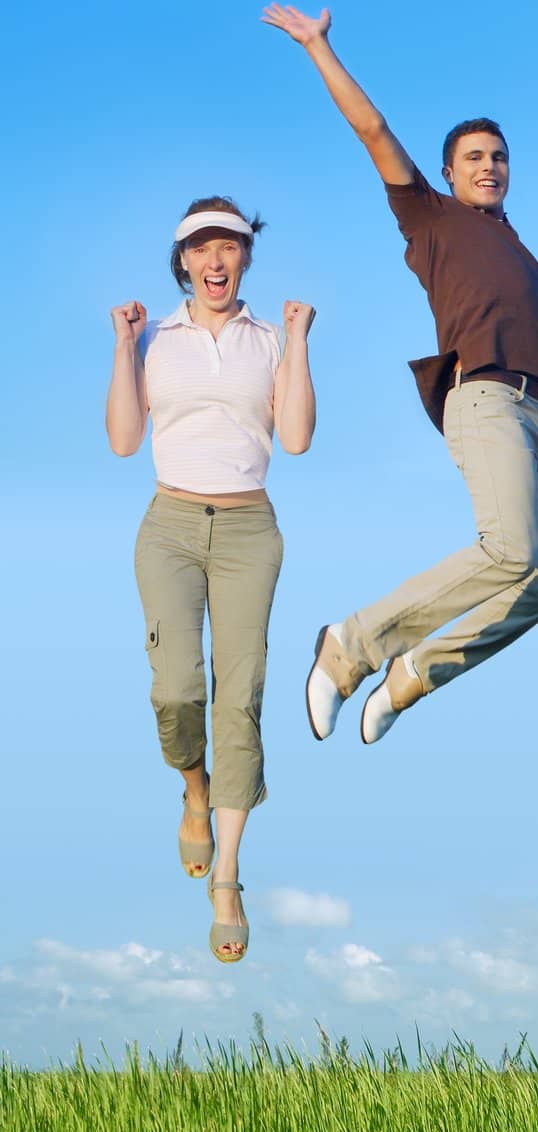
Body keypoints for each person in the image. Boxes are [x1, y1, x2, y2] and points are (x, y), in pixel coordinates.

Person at [264, 4, 538, 745]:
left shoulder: (516, 243)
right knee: (509, 551)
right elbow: (373, 131)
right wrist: (319, 48)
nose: (489, 166)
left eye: (498, 156)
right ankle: (351, 646)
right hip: (485, 395)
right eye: (474, 157)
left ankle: (413, 673)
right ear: (446, 173)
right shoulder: (429, 218)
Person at [106, 197, 317, 963]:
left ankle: (227, 873)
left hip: (248, 530)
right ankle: (193, 788)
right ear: (184, 262)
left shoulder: (269, 339)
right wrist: (125, 347)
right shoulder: (157, 336)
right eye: (202, 248)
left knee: (243, 691)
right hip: (167, 526)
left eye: (229, 245)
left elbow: (294, 438)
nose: (216, 259)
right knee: (176, 689)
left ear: (245, 256)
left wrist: (297, 342)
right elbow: (125, 442)